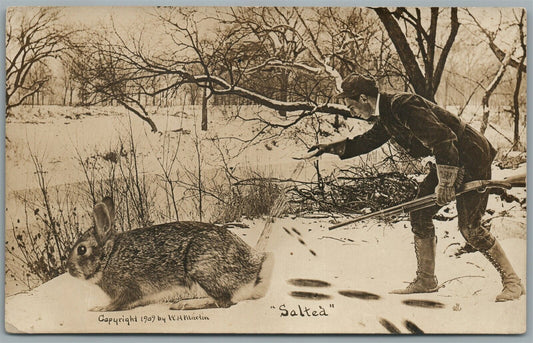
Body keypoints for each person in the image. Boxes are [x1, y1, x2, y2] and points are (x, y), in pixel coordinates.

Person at [307, 73, 524, 302]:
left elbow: (443, 139)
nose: (352, 113)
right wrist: (331, 148)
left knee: (469, 227)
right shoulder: (388, 114)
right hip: (449, 155)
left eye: (352, 107)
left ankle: (513, 282)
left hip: (470, 155)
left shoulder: (403, 106)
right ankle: (426, 280)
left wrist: (446, 183)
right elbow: (368, 141)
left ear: (363, 98)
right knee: (419, 213)